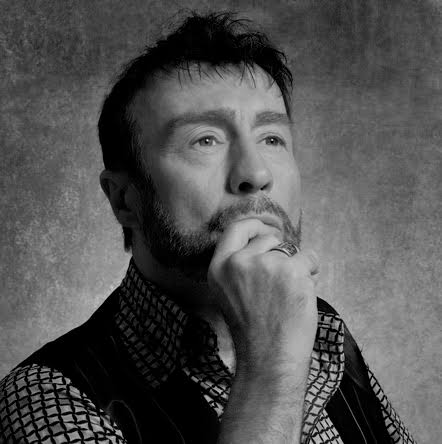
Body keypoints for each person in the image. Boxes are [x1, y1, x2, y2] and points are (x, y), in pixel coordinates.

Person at [0, 12, 415, 444]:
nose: (255, 174)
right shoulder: (45, 398)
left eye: (272, 139)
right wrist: (272, 366)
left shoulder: (325, 330)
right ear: (124, 199)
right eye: (205, 140)